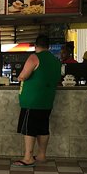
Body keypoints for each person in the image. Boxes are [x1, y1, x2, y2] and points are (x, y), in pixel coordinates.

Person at [14, 35, 62, 166]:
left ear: (35, 46)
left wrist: (19, 77)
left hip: (32, 100)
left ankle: (28, 158)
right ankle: (41, 155)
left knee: (29, 129)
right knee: (43, 128)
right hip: (47, 100)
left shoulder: (34, 57)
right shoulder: (55, 60)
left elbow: (23, 76)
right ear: (48, 46)